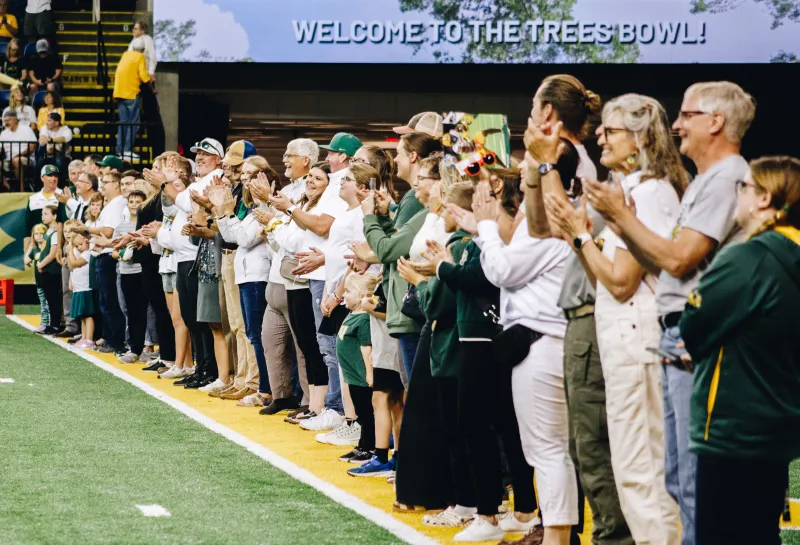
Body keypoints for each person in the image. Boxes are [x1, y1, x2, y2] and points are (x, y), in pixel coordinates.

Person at [584, 81, 756, 545]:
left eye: (687, 115)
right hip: (674, 332)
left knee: (671, 474)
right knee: (676, 475)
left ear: (716, 121)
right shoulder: (704, 180)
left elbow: (676, 261)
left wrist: (614, 221)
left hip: (689, 331)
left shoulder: (722, 178)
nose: (676, 125)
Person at [544, 94, 686, 545]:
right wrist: (579, 236)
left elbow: (622, 281)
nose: (600, 135)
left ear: (640, 138)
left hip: (637, 335)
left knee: (642, 469)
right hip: (626, 334)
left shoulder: (648, 192)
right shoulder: (638, 190)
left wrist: (581, 234)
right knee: (633, 469)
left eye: (612, 129)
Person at [522, 73, 633, 545]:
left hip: (588, 313)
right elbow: (540, 223)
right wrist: (533, 172)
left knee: (594, 448)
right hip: (577, 314)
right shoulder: (566, 160)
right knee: (582, 447)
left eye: (532, 110)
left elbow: (555, 228)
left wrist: (544, 169)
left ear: (548, 114)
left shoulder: (570, 159)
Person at [681, 155, 800, 545]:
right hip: (778, 424)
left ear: (764, 198)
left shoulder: (749, 256)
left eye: (744, 187)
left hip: (730, 428)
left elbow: (693, 326)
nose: (738, 195)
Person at [279, 131, 361, 431]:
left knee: (333, 348)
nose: (328, 158)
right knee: (326, 346)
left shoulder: (342, 192)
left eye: (333, 154)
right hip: (325, 278)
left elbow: (328, 232)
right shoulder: (333, 193)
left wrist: (285, 211)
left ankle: (340, 410)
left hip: (333, 280)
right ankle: (336, 409)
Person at [147, 137, 224, 389]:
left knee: (202, 319)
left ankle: (209, 370)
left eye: (206, 153)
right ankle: (201, 368)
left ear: (218, 159)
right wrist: (167, 185)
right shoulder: (201, 181)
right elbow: (174, 210)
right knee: (192, 317)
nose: (200, 157)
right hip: (184, 256)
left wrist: (166, 183)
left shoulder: (215, 180)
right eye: (198, 153)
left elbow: (186, 203)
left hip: (199, 255)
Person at [255, 138, 317, 413]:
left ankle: (308, 400)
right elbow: (281, 236)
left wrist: (272, 218)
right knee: (271, 340)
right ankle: (281, 395)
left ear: (306, 160)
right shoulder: (288, 190)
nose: (284, 159)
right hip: (276, 274)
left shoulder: (309, 194)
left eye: (290, 155)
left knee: (303, 344)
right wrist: (270, 224)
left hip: (296, 277)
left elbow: (295, 235)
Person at [214, 158, 278, 407]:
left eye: (251, 175)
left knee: (258, 334)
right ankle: (264, 386)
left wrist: (227, 212)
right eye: (244, 175)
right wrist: (223, 212)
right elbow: (231, 235)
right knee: (252, 333)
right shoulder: (253, 209)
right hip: (246, 274)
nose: (245, 180)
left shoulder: (265, 208)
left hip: (258, 274)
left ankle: (265, 387)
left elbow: (244, 239)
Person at [79, 171, 128, 355]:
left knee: (111, 301)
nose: (102, 186)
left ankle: (115, 340)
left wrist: (85, 229)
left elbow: (108, 231)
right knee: (105, 301)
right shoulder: (112, 204)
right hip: (104, 254)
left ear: (116, 184)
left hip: (109, 256)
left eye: (106, 182)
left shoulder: (118, 204)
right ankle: (110, 337)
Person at [336, 271, 380, 472]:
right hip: (352, 376)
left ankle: (369, 447)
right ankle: (363, 444)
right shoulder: (352, 315)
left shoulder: (363, 319)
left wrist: (369, 374)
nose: (343, 295)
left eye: (348, 291)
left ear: (363, 295)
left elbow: (366, 349)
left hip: (361, 377)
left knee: (366, 413)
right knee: (361, 411)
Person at [112, 36, 149, 160]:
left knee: (123, 123)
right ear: (143, 50)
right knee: (133, 123)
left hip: (119, 93)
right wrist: (150, 80)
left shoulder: (125, 55)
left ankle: (119, 150)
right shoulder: (140, 57)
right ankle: (127, 150)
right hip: (131, 94)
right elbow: (143, 76)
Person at [65, 232, 96, 349]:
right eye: (77, 246)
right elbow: (71, 266)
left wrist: (69, 251)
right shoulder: (80, 253)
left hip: (86, 288)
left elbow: (75, 263)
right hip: (79, 288)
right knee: (82, 315)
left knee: (88, 315)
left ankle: (89, 339)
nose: (79, 248)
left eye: (80, 244)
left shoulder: (87, 254)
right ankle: (83, 337)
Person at [34, 204, 62, 334]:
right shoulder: (48, 231)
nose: (43, 216)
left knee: (54, 298)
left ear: (55, 216)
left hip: (53, 270)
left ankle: (55, 325)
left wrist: (41, 264)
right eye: (42, 214)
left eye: (46, 214)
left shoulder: (56, 233)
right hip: (46, 270)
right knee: (49, 298)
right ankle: (52, 324)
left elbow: (52, 253)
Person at [0, 109, 35, 189]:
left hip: (26, 158)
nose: (6, 123)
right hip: (8, 160)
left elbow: (32, 147)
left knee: (16, 160)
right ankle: (9, 188)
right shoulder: (4, 133)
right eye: (5, 121)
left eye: (8, 120)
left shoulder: (26, 129)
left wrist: (17, 156)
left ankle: (21, 189)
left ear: (15, 119)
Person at [25, 223, 50, 331]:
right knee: (43, 304)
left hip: (49, 281)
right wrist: (30, 248)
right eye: (36, 234)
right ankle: (44, 323)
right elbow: (26, 261)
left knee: (50, 304)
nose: (39, 236)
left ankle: (52, 323)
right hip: (39, 281)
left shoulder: (48, 249)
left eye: (42, 233)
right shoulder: (35, 250)